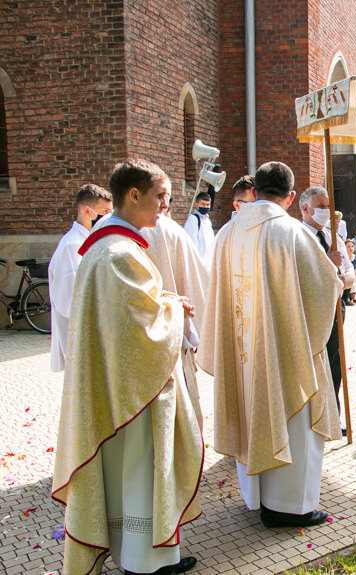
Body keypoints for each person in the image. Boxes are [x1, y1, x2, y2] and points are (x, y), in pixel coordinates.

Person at [52, 159, 202, 575]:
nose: (163, 207)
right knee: (143, 467)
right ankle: (147, 561)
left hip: (119, 385)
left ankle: (147, 554)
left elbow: (133, 311)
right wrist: (173, 307)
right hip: (135, 393)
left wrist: (164, 302)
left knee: (131, 471)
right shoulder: (119, 252)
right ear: (133, 195)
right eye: (158, 198)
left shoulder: (109, 246)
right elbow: (144, 329)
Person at [199, 162, 341, 529]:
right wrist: (335, 273)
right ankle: (291, 507)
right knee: (298, 422)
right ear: (292, 197)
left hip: (242, 352)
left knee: (250, 414)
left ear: (256, 190)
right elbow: (323, 291)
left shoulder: (227, 233)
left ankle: (256, 498)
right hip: (283, 354)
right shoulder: (292, 232)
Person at [139, 181, 209, 427]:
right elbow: (197, 283)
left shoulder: (102, 231)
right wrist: (194, 328)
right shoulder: (169, 230)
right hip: (170, 342)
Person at [299, 187, 354, 423]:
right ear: (305, 208)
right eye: (321, 207)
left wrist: (343, 280)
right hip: (309, 310)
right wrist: (328, 266)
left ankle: (333, 411)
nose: (326, 211)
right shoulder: (297, 236)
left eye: (327, 206)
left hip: (335, 305)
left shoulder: (334, 237)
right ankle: (311, 412)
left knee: (334, 359)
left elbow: (350, 271)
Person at [48, 183, 113, 372]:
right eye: (105, 211)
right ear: (87, 210)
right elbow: (70, 301)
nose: (108, 217)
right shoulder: (72, 246)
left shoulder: (89, 240)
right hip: (81, 340)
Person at [183, 191, 215, 256]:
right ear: (196, 204)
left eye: (207, 204)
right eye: (203, 204)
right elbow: (191, 243)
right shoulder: (193, 219)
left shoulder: (208, 221)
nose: (205, 207)